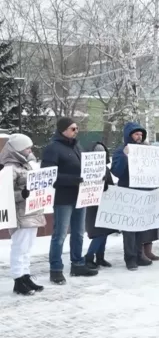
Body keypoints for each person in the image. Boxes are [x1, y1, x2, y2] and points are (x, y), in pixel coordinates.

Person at [41, 117, 97, 285]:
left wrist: (94, 175)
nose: (76, 131)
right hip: (63, 198)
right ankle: (56, 269)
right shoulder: (52, 149)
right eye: (73, 128)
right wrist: (73, 180)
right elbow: (48, 175)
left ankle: (77, 264)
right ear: (63, 130)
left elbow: (84, 168)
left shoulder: (77, 146)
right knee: (60, 234)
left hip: (80, 196)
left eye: (77, 128)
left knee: (79, 233)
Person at [111, 122, 159, 270]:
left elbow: (155, 172)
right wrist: (125, 157)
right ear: (129, 135)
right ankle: (130, 258)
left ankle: (139, 254)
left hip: (144, 194)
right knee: (129, 229)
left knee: (141, 226)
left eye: (141, 134)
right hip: (128, 194)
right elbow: (116, 172)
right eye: (136, 134)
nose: (139, 137)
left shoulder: (146, 151)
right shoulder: (121, 151)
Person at [0, 134, 46, 295]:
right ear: (18, 149)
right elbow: (4, 193)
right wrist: (23, 195)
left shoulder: (25, 165)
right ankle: (18, 279)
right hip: (20, 215)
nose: (30, 150)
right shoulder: (9, 168)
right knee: (20, 247)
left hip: (31, 212)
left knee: (27, 247)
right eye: (27, 148)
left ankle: (25, 276)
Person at [84, 142, 116, 270]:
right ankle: (89, 257)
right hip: (93, 205)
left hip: (105, 204)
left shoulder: (105, 168)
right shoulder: (89, 169)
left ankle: (100, 257)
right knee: (99, 233)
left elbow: (110, 184)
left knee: (104, 232)